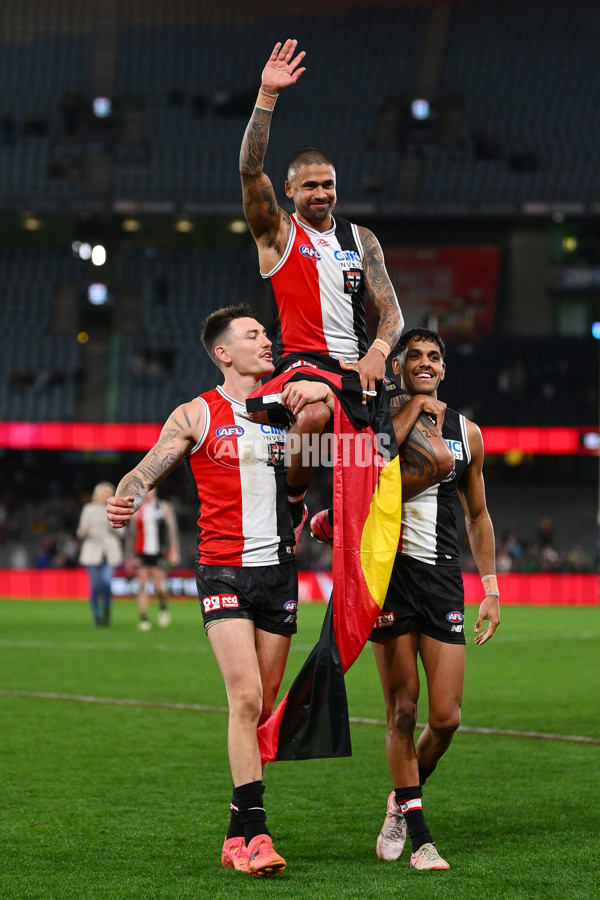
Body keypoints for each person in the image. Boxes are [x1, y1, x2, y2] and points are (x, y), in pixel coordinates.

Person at [106, 304, 334, 878]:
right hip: (223, 569)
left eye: (266, 333)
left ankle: (236, 833)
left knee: (262, 710)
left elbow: (338, 433)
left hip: (279, 571)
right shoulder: (196, 414)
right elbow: (147, 468)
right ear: (223, 352)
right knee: (246, 697)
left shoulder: (289, 408)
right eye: (253, 335)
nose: (267, 341)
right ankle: (257, 833)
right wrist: (125, 495)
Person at [239, 39, 404, 531]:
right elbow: (250, 170)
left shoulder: (361, 238)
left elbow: (392, 313)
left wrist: (377, 350)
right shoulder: (277, 232)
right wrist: (266, 98)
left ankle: (334, 517)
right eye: (309, 185)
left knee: (414, 455)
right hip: (302, 365)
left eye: (328, 184)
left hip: (358, 371)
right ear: (289, 190)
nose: (321, 193)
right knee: (311, 417)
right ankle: (293, 503)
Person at [368, 328, 500, 871]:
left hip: (444, 577)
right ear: (398, 366)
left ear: (445, 368)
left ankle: (401, 797)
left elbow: (477, 515)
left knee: (445, 718)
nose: (425, 363)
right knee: (402, 710)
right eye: (414, 357)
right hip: (390, 576)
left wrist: (491, 589)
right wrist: (416, 406)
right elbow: (374, 462)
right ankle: (420, 835)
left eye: (434, 357)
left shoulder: (467, 433)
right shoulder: (376, 421)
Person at [132, 488, 180, 631]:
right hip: (141, 552)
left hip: (158, 552)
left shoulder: (163, 507)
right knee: (142, 585)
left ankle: (163, 607)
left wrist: (174, 550)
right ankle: (144, 618)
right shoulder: (138, 508)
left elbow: (172, 530)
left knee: (159, 586)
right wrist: (129, 555)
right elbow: (131, 533)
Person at [77, 481, 124, 626]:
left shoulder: (116, 509)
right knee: (95, 586)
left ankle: (107, 610)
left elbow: (122, 532)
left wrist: (111, 518)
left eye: (108, 494)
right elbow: (80, 531)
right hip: (92, 551)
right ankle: (97, 616)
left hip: (109, 552)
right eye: (103, 494)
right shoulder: (88, 509)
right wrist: (83, 532)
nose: (105, 497)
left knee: (107, 583)